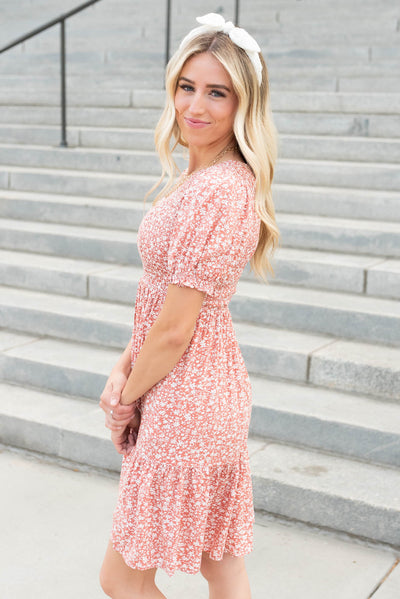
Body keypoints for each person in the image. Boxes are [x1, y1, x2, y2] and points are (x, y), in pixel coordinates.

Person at [99, 12, 279, 599]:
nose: (195, 106)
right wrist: (123, 365)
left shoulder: (224, 191)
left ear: (242, 105)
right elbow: (161, 304)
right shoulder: (201, 180)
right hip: (192, 389)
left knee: (122, 579)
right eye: (187, 86)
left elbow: (176, 329)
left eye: (217, 92)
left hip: (187, 399)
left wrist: (125, 401)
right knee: (218, 563)